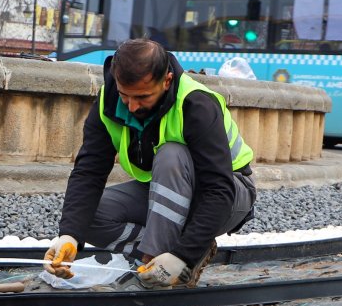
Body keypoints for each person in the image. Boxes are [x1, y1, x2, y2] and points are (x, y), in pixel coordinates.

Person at [43, 38, 256, 288]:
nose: (132, 106)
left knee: (171, 154)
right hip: (168, 192)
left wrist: (181, 255)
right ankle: (160, 260)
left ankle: (162, 262)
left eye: (143, 97)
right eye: (125, 96)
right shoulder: (108, 103)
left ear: (166, 81)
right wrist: (69, 235)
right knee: (86, 216)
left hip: (229, 195)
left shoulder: (196, 104)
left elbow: (218, 191)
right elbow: (88, 172)